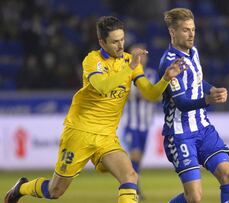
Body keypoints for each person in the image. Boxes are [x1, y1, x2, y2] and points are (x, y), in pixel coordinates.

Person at [4, 16, 185, 203]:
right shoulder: (92, 60)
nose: (121, 46)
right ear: (102, 42)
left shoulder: (130, 61)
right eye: (115, 42)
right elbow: (103, 86)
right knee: (55, 191)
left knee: (130, 176)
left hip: (106, 137)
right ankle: (22, 188)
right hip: (80, 133)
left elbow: (150, 94)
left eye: (122, 39)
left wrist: (165, 78)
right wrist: (128, 68)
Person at [158, 8, 229, 203]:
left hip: (203, 128)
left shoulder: (193, 52)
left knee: (228, 175)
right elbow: (181, 102)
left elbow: (196, 79)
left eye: (193, 29)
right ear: (172, 32)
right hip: (180, 135)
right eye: (186, 30)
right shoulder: (169, 63)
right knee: (194, 197)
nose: (191, 34)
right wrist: (208, 100)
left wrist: (211, 90)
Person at [122, 44, 159, 199]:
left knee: (138, 160)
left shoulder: (151, 74)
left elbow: (159, 94)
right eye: (137, 53)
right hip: (132, 125)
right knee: (135, 156)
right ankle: (132, 189)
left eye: (143, 53)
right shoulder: (126, 74)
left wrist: (152, 95)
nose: (141, 56)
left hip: (146, 125)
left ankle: (133, 186)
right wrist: (148, 94)